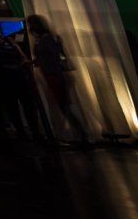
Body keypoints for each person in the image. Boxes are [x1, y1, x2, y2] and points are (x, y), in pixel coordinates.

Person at [26, 15, 91, 145]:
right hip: (52, 75)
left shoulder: (46, 39)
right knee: (63, 106)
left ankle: (82, 135)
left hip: (55, 75)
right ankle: (80, 134)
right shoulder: (47, 39)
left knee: (64, 105)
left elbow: (53, 58)